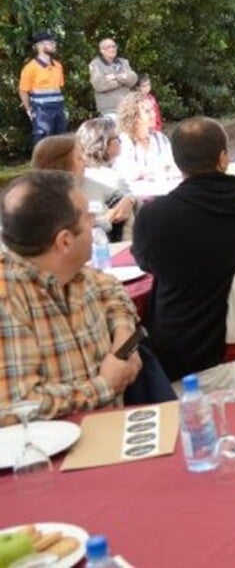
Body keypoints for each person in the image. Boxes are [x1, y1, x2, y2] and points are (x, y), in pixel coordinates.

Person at [132, 118, 235, 383]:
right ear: (223, 158)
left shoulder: (156, 216)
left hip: (187, 342)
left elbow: (145, 265)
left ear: (177, 163)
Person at [0, 170, 142, 420]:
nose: (96, 222)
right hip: (50, 455)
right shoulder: (8, 299)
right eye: (89, 219)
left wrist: (123, 340)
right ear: (64, 242)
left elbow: (111, 290)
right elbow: (14, 407)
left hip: (108, 435)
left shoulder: (73, 272)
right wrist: (104, 385)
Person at [32, 133, 134, 241]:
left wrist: (129, 200)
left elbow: (122, 197)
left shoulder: (88, 183)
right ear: (62, 166)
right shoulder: (44, 202)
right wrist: (108, 219)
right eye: (79, 158)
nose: (85, 162)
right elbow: (75, 234)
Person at [18, 31, 67, 143]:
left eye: (54, 42)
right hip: (41, 111)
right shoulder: (30, 68)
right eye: (50, 42)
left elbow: (58, 88)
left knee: (61, 140)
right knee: (43, 142)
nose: (54, 44)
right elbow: (23, 91)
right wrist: (29, 110)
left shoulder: (58, 65)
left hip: (59, 109)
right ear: (40, 45)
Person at [115, 91, 176, 181]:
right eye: (147, 111)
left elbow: (172, 164)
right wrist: (158, 169)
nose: (154, 114)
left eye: (152, 110)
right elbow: (127, 173)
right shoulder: (123, 141)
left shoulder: (160, 138)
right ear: (133, 116)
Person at [88, 37, 139, 116]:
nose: (112, 49)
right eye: (109, 47)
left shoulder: (124, 62)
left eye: (114, 46)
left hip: (127, 106)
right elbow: (99, 85)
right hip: (109, 110)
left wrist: (115, 77)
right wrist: (123, 80)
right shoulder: (95, 64)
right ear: (102, 50)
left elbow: (133, 79)